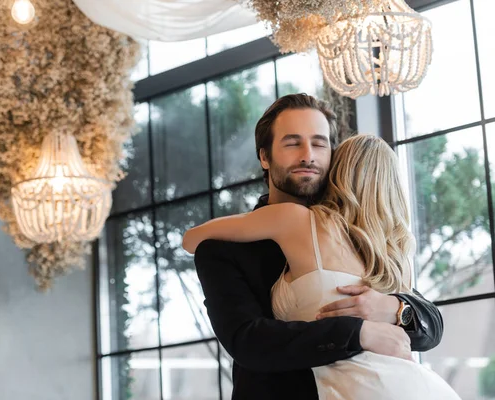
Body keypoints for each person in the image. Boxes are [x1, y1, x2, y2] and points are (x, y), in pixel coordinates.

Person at [186, 94, 447, 399]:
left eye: (320, 143)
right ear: (264, 157)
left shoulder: (356, 231)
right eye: (292, 142)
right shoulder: (221, 248)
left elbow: (432, 327)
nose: (308, 155)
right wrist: (359, 333)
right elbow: (248, 342)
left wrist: (393, 309)